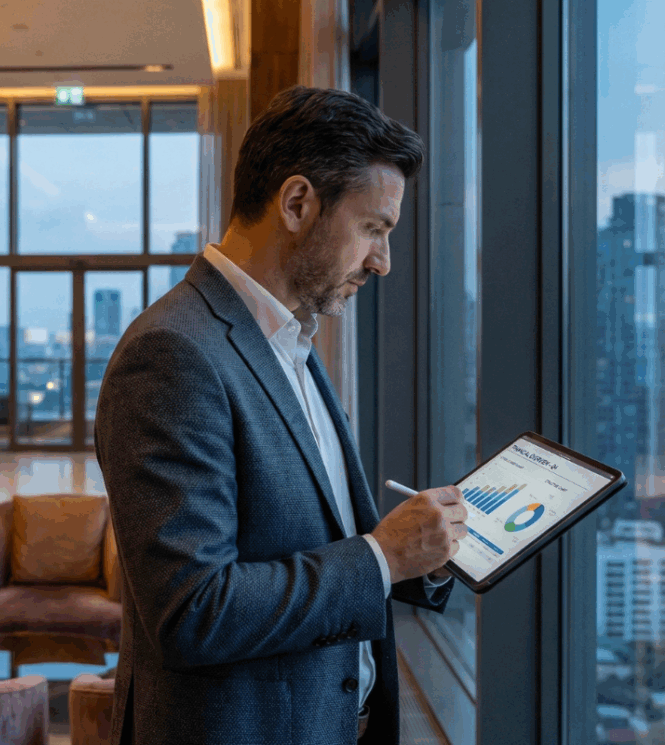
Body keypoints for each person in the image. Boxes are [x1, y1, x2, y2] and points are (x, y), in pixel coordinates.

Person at [94, 86, 468, 745]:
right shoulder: (172, 353)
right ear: (297, 203)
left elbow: (301, 538)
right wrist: (381, 556)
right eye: (374, 229)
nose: (383, 261)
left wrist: (415, 558)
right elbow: (193, 611)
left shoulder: (290, 341)